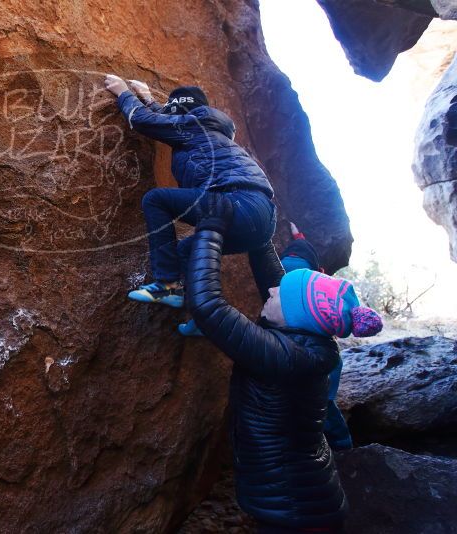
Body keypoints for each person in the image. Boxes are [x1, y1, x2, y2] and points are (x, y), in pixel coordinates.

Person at [185, 195, 383, 533]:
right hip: (303, 500)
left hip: (296, 512)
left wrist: (211, 228)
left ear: (295, 314)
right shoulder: (304, 339)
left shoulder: (287, 356)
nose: (270, 294)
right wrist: (261, 224)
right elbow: (277, 284)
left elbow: (209, 307)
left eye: (279, 296)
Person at [103, 74, 276, 308]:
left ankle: (167, 285)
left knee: (156, 200)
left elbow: (145, 121)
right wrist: (148, 97)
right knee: (186, 249)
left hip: (237, 203)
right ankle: (203, 314)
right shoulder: (208, 128)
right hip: (261, 219)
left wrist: (124, 92)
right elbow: (167, 120)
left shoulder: (195, 125)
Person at [279, 222, 353, 451]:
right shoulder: (315, 283)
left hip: (292, 354)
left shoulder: (281, 271)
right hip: (321, 361)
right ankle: (342, 445)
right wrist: (299, 236)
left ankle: (325, 446)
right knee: (324, 405)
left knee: (302, 404)